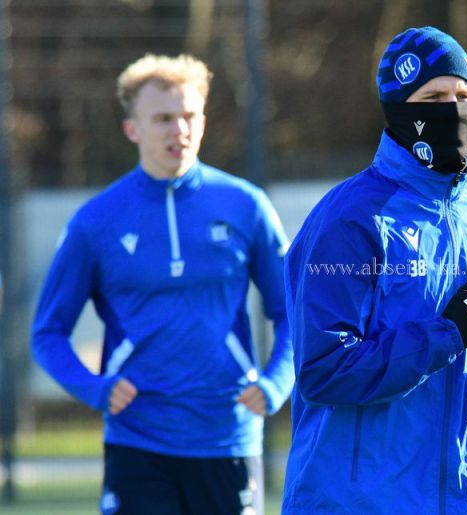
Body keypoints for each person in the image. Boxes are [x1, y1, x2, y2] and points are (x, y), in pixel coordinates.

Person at [281, 26, 467, 514]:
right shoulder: (349, 219)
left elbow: (459, 348)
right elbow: (325, 370)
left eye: (464, 95)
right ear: (400, 110)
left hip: (461, 497)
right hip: (357, 500)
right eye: (434, 96)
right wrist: (447, 336)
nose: (454, 108)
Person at [31, 54, 293, 515]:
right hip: (138, 441)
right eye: (164, 119)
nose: (180, 130)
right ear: (132, 128)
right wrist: (93, 387)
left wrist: (276, 382)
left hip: (227, 438)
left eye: (189, 116)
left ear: (204, 121)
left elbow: (294, 310)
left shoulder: (246, 207)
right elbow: (47, 333)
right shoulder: (96, 222)